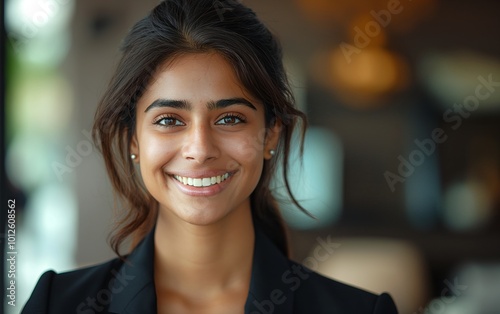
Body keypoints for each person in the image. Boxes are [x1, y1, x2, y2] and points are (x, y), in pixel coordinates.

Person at [22, 0, 399, 313]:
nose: (200, 149)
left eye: (230, 118)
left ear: (271, 134)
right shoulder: (56, 304)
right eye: (169, 120)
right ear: (133, 140)